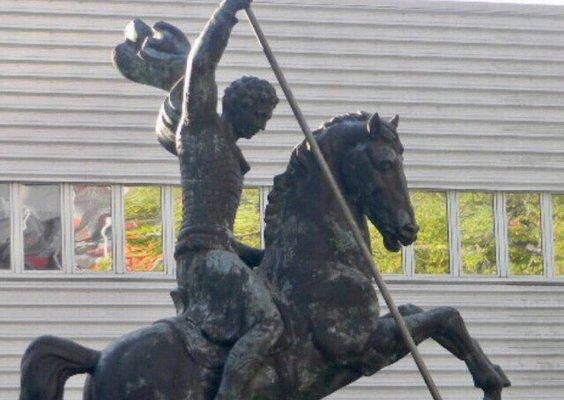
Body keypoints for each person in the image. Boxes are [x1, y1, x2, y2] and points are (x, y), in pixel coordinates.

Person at [160, 1, 284, 399]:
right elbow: (202, 65)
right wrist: (227, 12)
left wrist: (261, 256)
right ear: (242, 104)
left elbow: (222, 235)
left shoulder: (232, 157)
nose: (263, 125)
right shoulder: (200, 127)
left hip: (217, 252)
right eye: (262, 114)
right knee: (268, 322)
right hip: (200, 258)